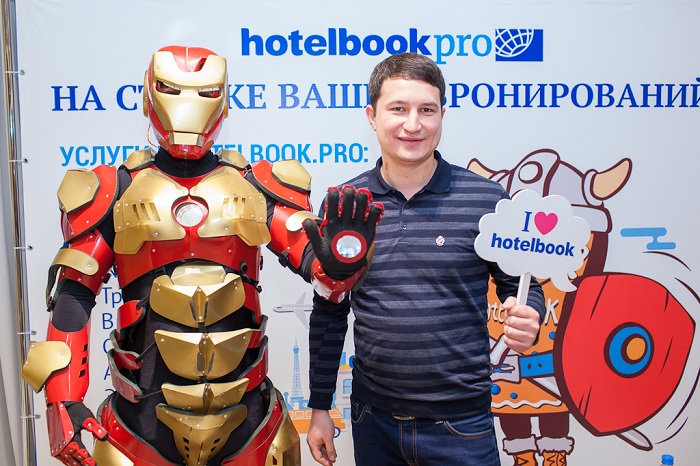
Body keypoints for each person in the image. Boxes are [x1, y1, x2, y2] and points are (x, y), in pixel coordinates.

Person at [21, 45, 381, 466]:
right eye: (171, 89)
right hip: (141, 424)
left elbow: (325, 276)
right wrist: (62, 400)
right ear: (148, 97)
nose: (188, 107)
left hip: (248, 423)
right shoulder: (113, 191)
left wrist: (342, 262)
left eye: (205, 92)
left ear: (223, 101)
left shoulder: (257, 187)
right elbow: (73, 297)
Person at [303, 52, 546, 466]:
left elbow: (521, 285)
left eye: (427, 110)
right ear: (372, 116)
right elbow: (329, 310)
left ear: (442, 115)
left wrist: (530, 316)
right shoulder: (345, 206)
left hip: (462, 426)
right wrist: (320, 408)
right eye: (398, 109)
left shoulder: (486, 201)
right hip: (373, 421)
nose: (413, 124)